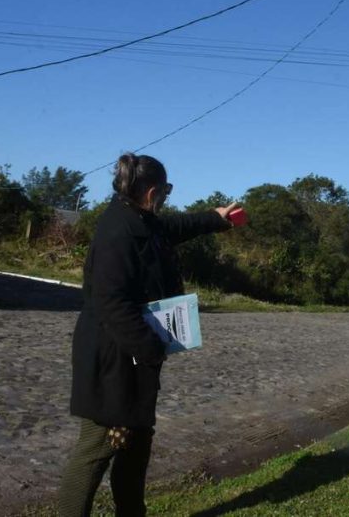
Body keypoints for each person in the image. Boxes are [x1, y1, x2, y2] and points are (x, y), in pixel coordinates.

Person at [57, 153, 240, 516]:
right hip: (113, 358)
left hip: (134, 358)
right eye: (167, 191)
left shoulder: (140, 220)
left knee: (136, 444)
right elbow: (112, 303)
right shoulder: (117, 232)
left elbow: (174, 228)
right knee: (97, 449)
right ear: (152, 191)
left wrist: (215, 219)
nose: (168, 198)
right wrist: (153, 346)